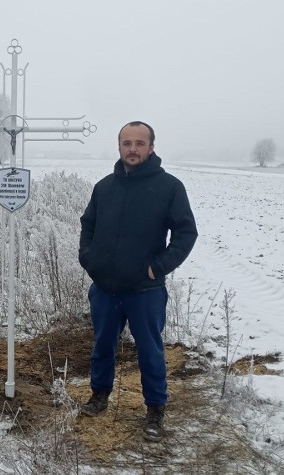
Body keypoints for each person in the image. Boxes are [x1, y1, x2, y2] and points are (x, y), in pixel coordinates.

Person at [78, 121, 197, 442]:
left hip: (145, 291)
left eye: (139, 143)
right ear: (119, 147)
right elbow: (87, 224)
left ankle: (155, 410)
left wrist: (160, 266)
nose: (133, 148)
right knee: (102, 345)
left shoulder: (169, 187)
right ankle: (99, 395)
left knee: (150, 351)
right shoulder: (104, 187)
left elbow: (186, 232)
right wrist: (89, 260)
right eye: (127, 143)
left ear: (151, 147)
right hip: (104, 288)